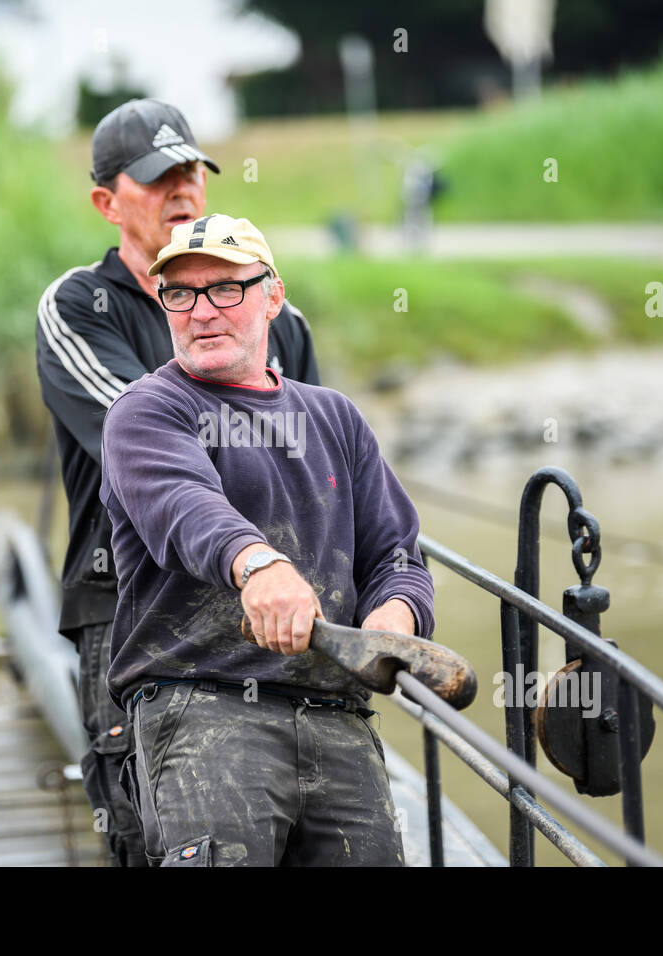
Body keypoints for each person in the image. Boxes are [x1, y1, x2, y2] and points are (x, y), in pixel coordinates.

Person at [100, 214, 435, 866]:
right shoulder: (146, 411)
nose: (201, 311)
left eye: (225, 289)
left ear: (273, 296)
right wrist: (259, 565)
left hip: (339, 717)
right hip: (204, 709)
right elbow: (183, 506)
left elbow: (397, 552)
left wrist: (393, 620)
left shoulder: (334, 416)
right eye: (181, 293)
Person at [35, 100, 320, 867]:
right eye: (160, 177)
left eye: (193, 169)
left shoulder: (279, 319)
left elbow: (323, 474)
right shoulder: (77, 308)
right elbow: (155, 447)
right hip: (135, 609)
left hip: (276, 611)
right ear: (107, 203)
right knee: (151, 832)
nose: (184, 188)